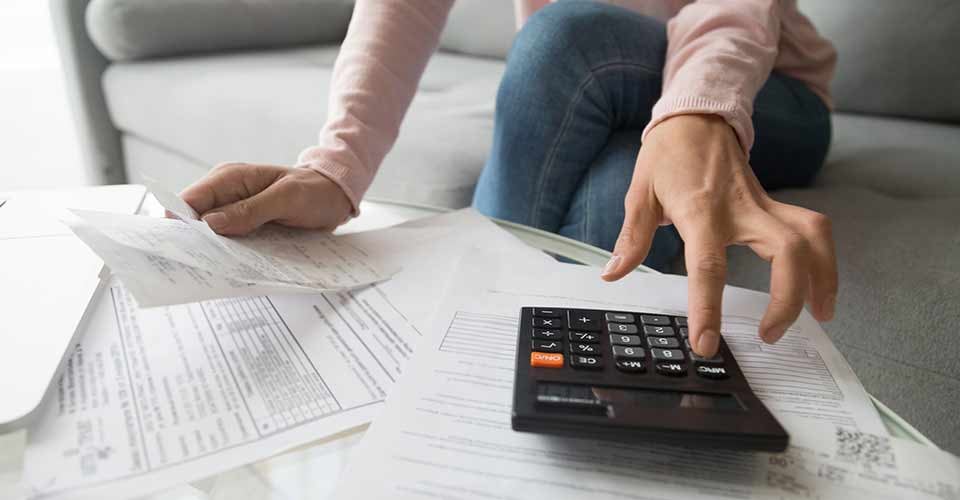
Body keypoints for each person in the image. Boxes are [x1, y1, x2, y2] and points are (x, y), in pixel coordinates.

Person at [179, 0, 838, 358]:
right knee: (615, 198)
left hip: (765, 89)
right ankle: (536, 396)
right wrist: (333, 169)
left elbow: (736, 10)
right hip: (603, 95)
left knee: (562, 35)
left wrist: (696, 115)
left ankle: (464, 344)